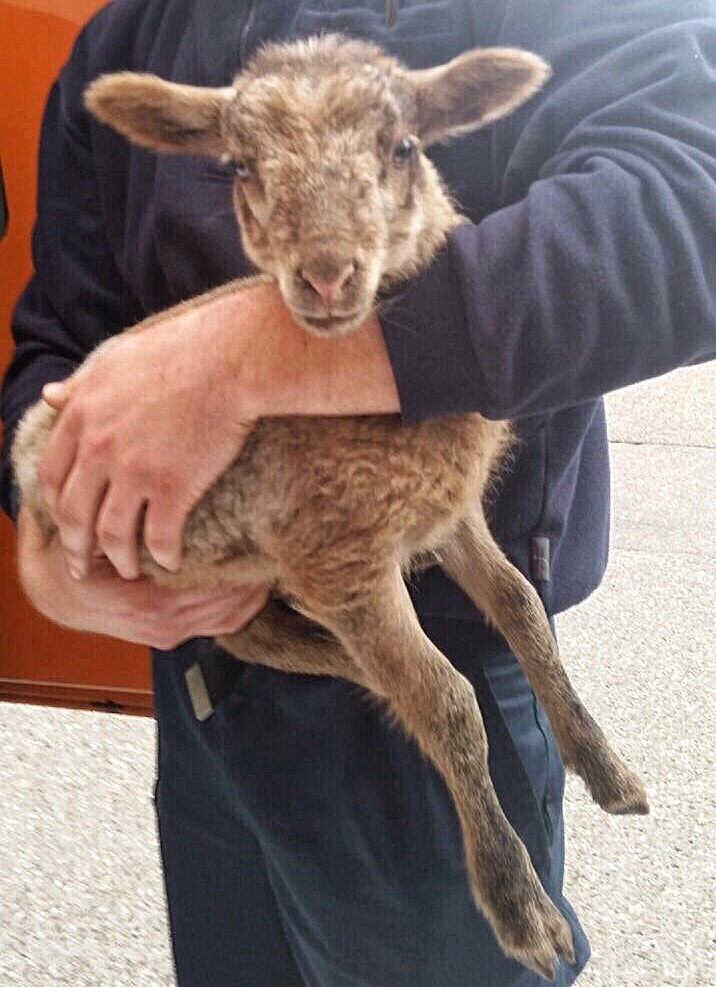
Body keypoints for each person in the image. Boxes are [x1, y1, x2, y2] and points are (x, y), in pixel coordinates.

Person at [2, 0, 716, 984]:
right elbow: (54, 338)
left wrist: (244, 359)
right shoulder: (127, 37)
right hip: (204, 687)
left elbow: (694, 189)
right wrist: (49, 557)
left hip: (430, 667)